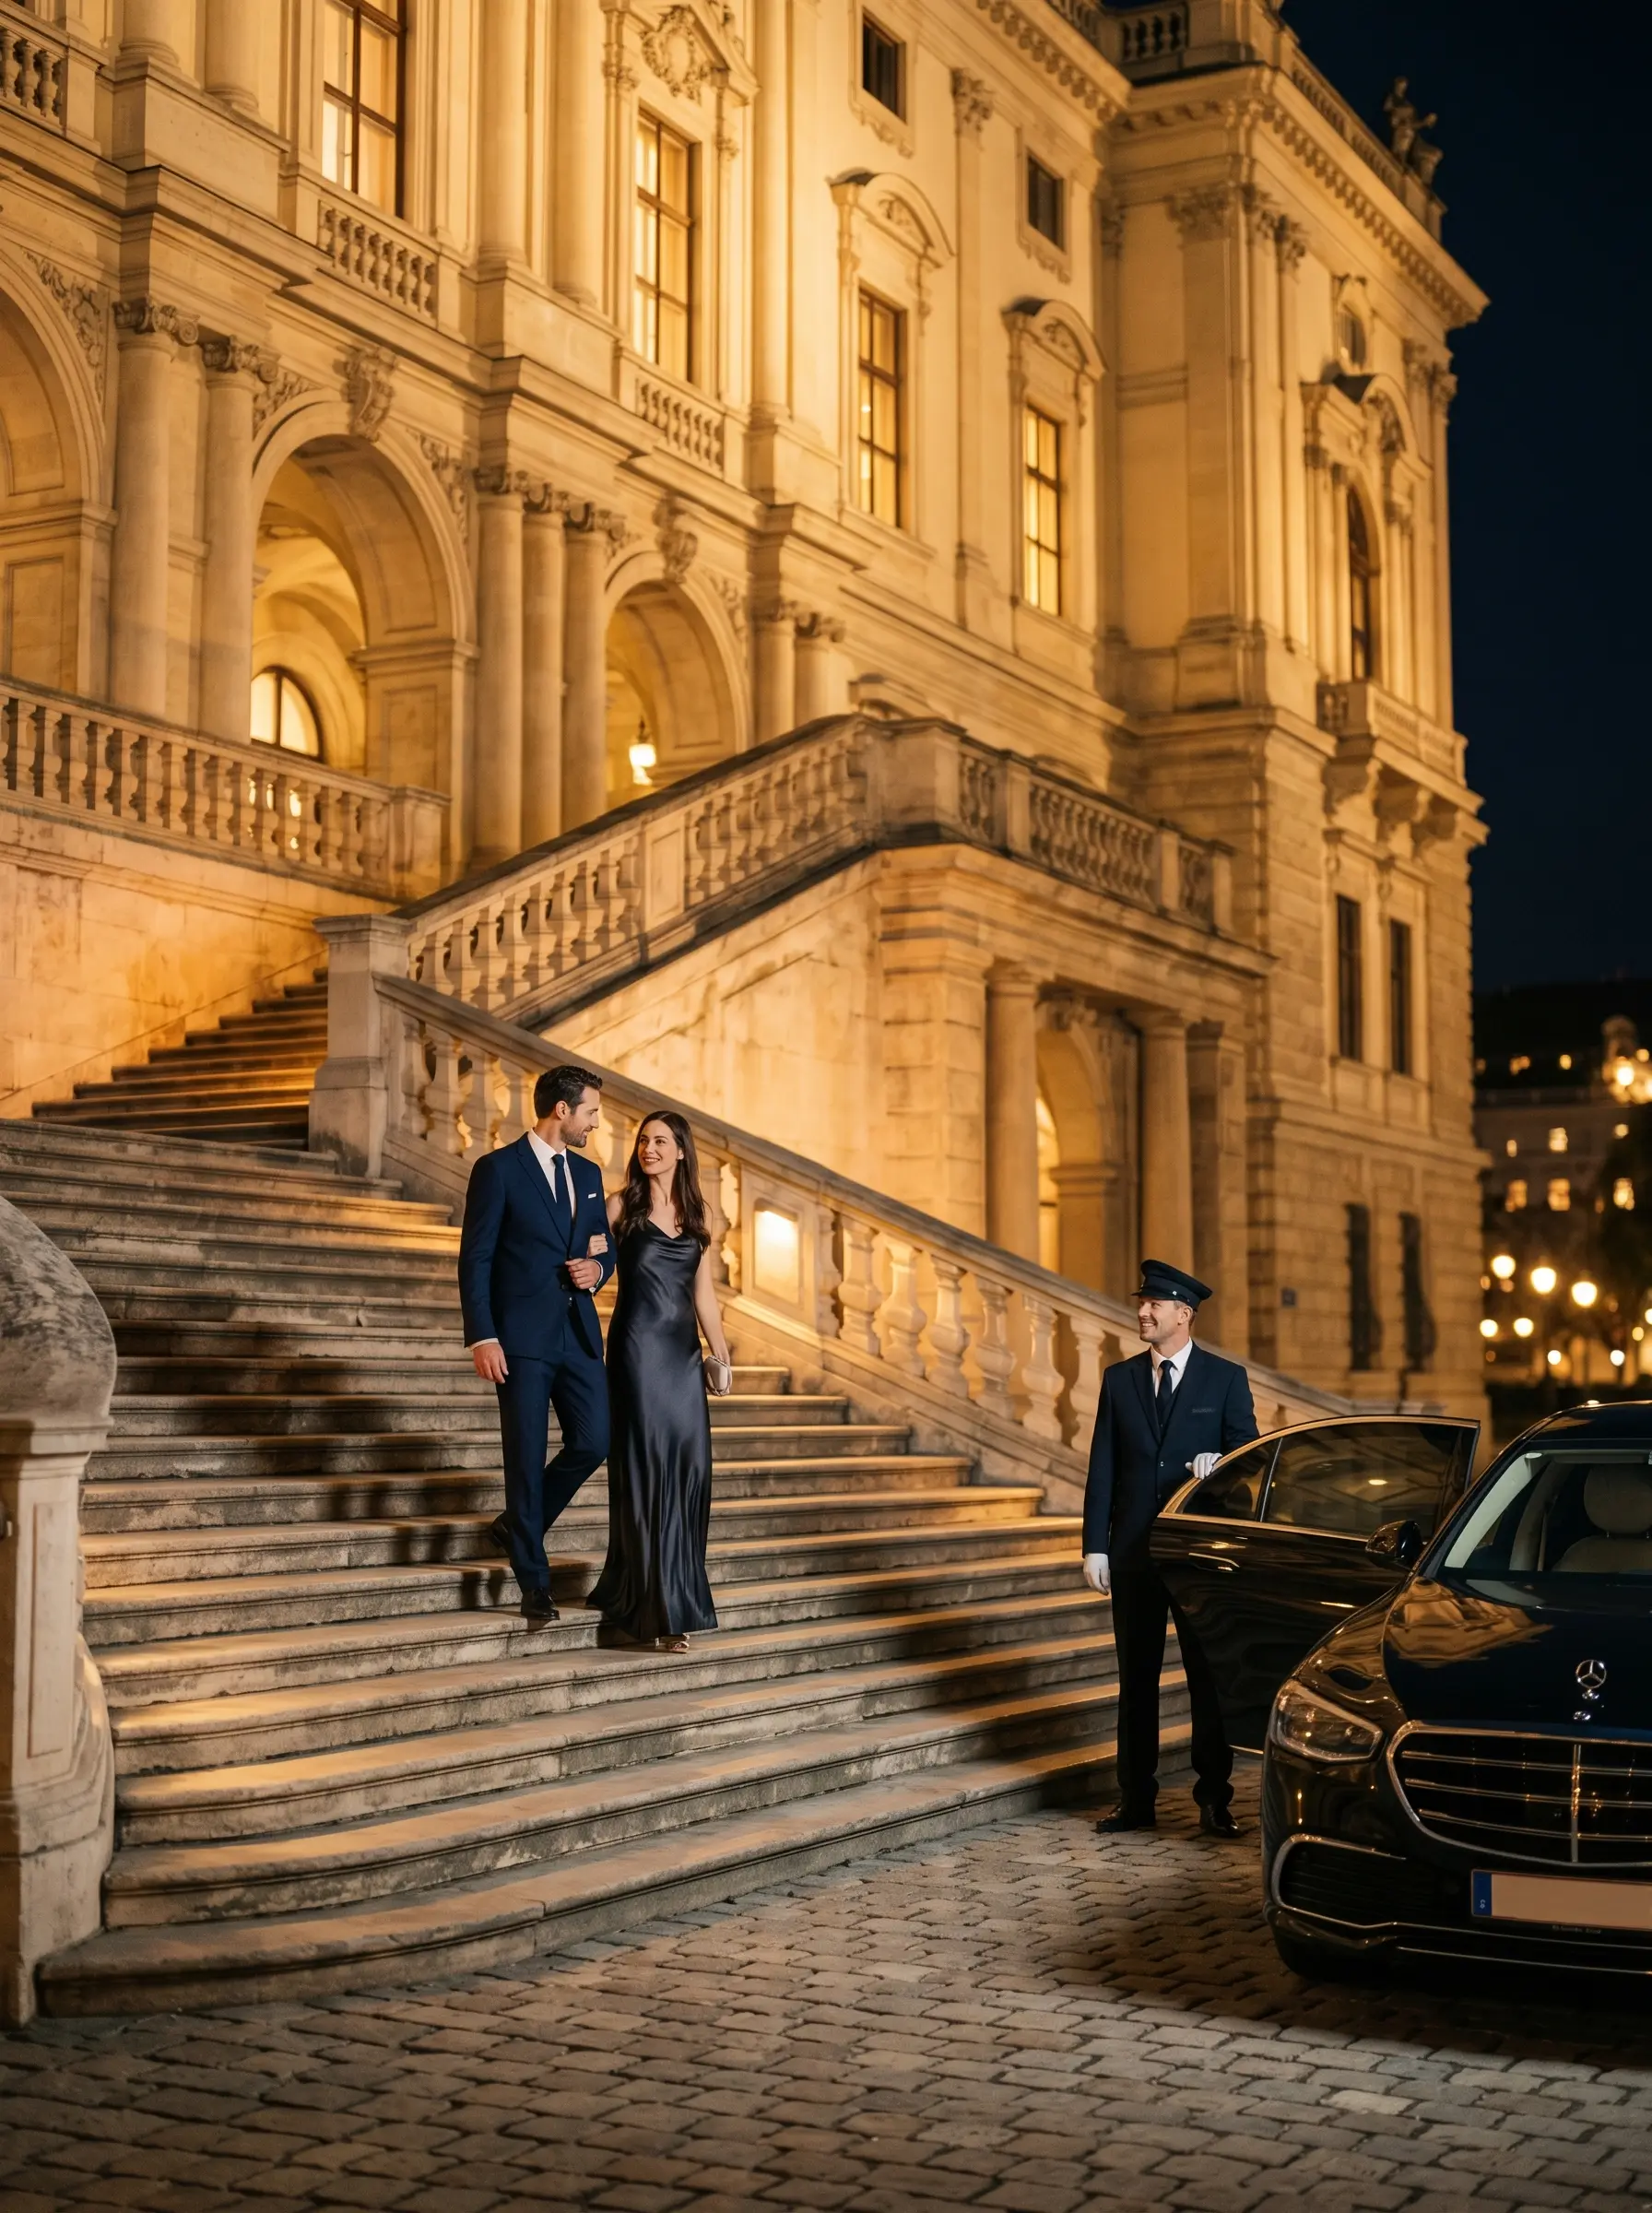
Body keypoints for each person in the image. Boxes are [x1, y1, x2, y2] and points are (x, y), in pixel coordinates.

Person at [1081, 1259, 1258, 1838]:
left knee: (1206, 1680)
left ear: (1183, 1314)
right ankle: (1136, 1801)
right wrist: (1095, 1546)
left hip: (1197, 1556)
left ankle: (1215, 1800)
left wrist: (1224, 1467)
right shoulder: (1119, 1379)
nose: (1142, 1311)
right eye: (1142, 1303)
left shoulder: (1225, 1379)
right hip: (1132, 1554)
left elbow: (1252, 1463)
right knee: (1136, 1682)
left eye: (1154, 1305)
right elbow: (1102, 1466)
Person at [458, 1065, 616, 1625]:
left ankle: (517, 1524)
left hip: (578, 1335)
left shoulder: (590, 1174)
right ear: (562, 1110)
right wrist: (483, 1334)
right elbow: (475, 1259)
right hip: (519, 1340)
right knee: (524, 1460)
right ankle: (534, 1582)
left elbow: (605, 1245)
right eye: (592, 1111)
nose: (597, 1122)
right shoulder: (498, 1170)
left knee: (595, 1440)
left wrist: (596, 1269)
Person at [587, 1111, 734, 1651]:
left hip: (683, 1358)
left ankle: (676, 1597)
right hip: (636, 1352)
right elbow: (592, 1268)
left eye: (660, 1142)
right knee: (647, 1470)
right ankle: (653, 1611)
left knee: (690, 1469)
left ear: (680, 1151)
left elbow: (704, 1296)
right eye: (644, 1141)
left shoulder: (699, 1213)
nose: (648, 1149)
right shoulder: (621, 1206)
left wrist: (721, 1354)